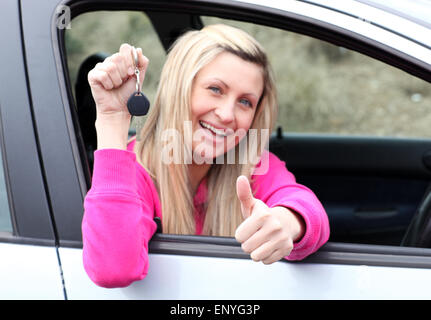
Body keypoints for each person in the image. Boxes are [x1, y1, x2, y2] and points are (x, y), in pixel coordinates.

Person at [82, 24, 330, 288]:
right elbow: (113, 269)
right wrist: (112, 120)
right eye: (215, 89)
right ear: (180, 89)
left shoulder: (251, 165)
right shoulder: (132, 172)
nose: (226, 114)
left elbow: (305, 206)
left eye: (245, 102)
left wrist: (287, 222)